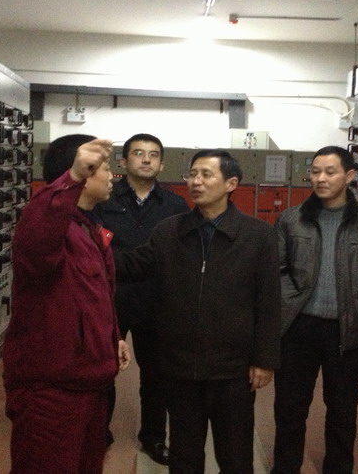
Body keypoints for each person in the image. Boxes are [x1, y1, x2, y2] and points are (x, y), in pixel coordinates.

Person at [115, 149, 281, 474]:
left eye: (206, 175)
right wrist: (86, 251)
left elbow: (268, 301)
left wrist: (265, 360)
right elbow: (134, 264)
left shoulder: (257, 235)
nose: (196, 182)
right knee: (184, 455)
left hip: (232, 370)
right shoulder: (169, 231)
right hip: (180, 368)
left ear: (231, 183)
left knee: (235, 456)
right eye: (192, 174)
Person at [2, 134, 131, 474]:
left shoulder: (87, 228)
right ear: (82, 172)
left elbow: (91, 295)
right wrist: (71, 178)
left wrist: (112, 338)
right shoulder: (48, 229)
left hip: (90, 384)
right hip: (51, 390)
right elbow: (38, 232)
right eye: (104, 168)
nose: (112, 175)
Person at [272, 145, 358, 474]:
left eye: (330, 172)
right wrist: (289, 302)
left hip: (348, 331)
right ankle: (285, 468)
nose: (321, 178)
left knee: (343, 412)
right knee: (289, 409)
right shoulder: (291, 220)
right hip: (298, 328)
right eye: (315, 171)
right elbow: (276, 271)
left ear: (349, 176)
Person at [96, 133, 189, 465]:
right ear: (123, 161)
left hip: (156, 299)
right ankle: (98, 433)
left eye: (153, 154)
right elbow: (94, 246)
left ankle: (153, 437)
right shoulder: (104, 199)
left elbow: (181, 254)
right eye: (138, 153)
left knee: (157, 375)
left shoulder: (175, 206)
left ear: (162, 164)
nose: (146, 159)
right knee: (103, 369)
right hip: (112, 298)